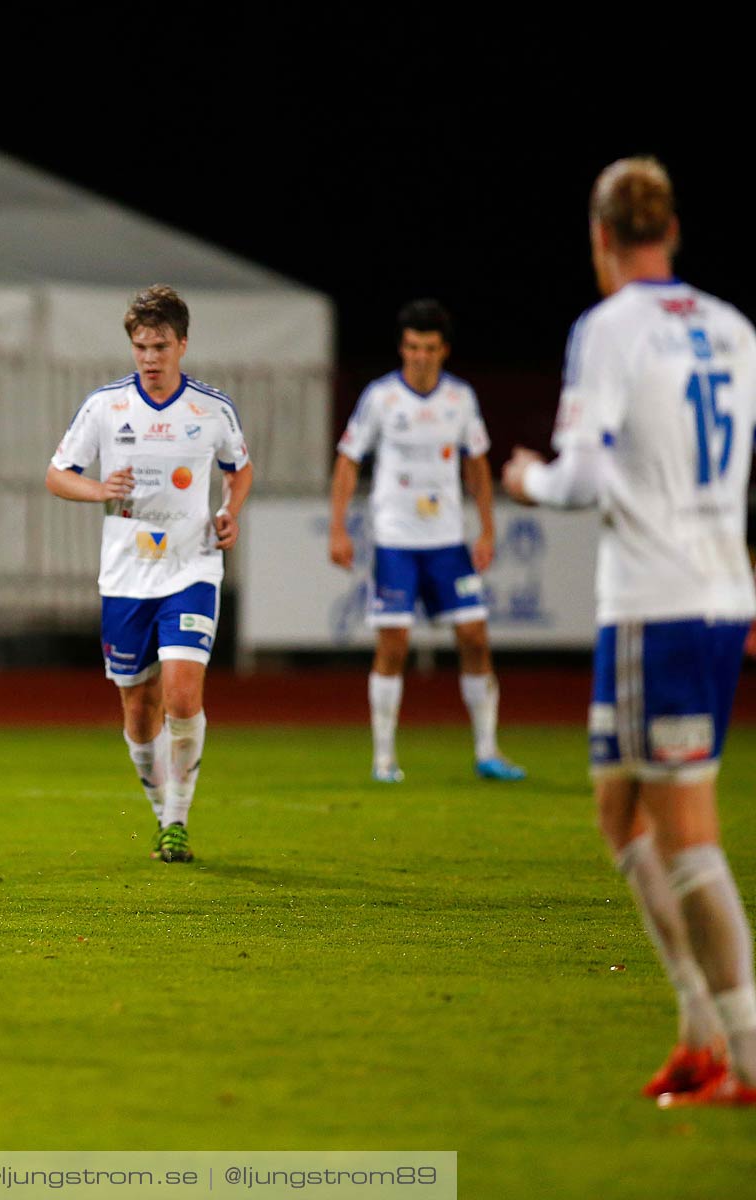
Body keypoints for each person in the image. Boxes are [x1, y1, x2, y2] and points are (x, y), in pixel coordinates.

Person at [502, 156, 756, 1106]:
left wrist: (525, 476)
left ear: (602, 240)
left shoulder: (609, 331)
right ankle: (698, 1026)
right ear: (673, 231)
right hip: (706, 593)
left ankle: (747, 1051)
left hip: (659, 601)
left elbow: (580, 479)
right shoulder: (734, 328)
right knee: (621, 809)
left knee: (687, 831)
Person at [44, 285, 253, 864]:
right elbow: (58, 475)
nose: (150, 357)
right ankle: (161, 811)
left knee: (183, 696)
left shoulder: (211, 409)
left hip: (192, 566)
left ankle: (179, 818)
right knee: (139, 708)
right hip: (126, 577)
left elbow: (240, 469)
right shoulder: (106, 406)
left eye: (160, 346)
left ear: (182, 344)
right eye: (140, 346)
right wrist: (97, 490)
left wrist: (229, 513)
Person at [329, 300, 526, 783]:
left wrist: (487, 527)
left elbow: (476, 464)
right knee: (393, 643)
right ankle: (383, 759)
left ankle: (487, 751)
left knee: (475, 638)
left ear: (444, 351)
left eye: (429, 348)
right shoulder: (381, 398)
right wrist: (338, 527)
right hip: (396, 539)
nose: (420, 356)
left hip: (446, 540)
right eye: (413, 347)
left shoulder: (460, 398)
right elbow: (349, 458)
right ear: (402, 347)